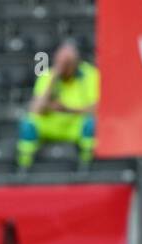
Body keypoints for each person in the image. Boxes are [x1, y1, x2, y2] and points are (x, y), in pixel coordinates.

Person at [18, 40, 99, 168]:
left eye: (68, 63)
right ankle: (24, 168)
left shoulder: (90, 74)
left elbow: (97, 108)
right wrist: (54, 78)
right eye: (61, 62)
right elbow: (35, 109)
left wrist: (68, 109)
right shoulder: (48, 74)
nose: (65, 66)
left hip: (75, 124)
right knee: (28, 124)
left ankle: (88, 166)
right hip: (52, 123)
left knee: (92, 124)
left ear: (77, 62)